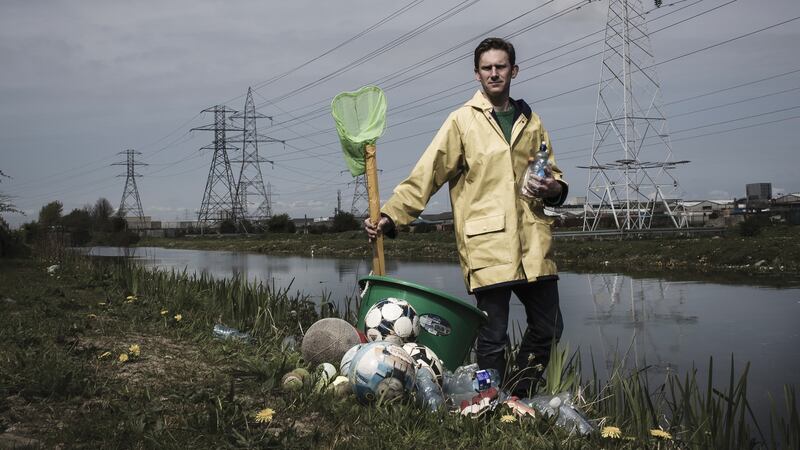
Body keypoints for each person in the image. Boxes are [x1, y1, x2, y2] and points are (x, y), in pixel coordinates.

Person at [364, 37, 568, 396]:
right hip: (487, 247)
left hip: (534, 247)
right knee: (493, 338)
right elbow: (427, 174)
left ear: (513, 71)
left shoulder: (531, 121)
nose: (494, 73)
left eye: (500, 66)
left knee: (549, 328)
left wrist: (553, 187)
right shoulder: (461, 122)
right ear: (477, 74)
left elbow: (553, 173)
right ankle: (488, 401)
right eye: (487, 68)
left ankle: (519, 396)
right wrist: (391, 215)